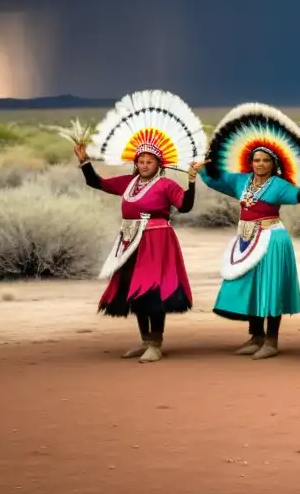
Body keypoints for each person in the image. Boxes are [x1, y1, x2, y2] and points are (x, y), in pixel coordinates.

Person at [77, 89, 207, 363]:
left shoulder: (167, 184)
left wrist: (192, 181)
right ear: (135, 163)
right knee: (133, 289)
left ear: (159, 165)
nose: (144, 164)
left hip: (156, 241)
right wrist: (84, 161)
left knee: (152, 289)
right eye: (141, 161)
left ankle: (156, 344)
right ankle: (144, 340)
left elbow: (184, 207)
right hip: (128, 240)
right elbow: (96, 182)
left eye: (150, 161)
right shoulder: (128, 182)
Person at [197, 103, 300, 360]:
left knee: (270, 289)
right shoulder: (240, 180)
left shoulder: (279, 186)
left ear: (273, 163)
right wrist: (202, 168)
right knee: (251, 287)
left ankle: (271, 342)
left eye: (265, 160)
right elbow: (214, 181)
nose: (260, 164)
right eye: (256, 160)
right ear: (250, 161)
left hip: (272, 240)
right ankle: (255, 337)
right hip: (246, 239)